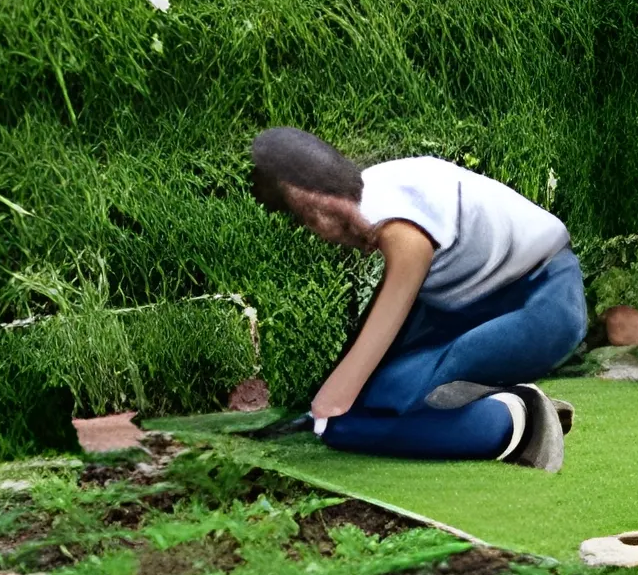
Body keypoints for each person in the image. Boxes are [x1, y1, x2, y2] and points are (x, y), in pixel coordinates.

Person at [248, 128, 584, 470]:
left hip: (543, 304)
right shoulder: (377, 193)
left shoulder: (398, 224)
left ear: (315, 205)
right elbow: (382, 332)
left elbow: (388, 316)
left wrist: (327, 408)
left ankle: (518, 422)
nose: (315, 232)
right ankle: (485, 402)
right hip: (470, 311)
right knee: (379, 398)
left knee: (346, 426)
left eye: (305, 219)